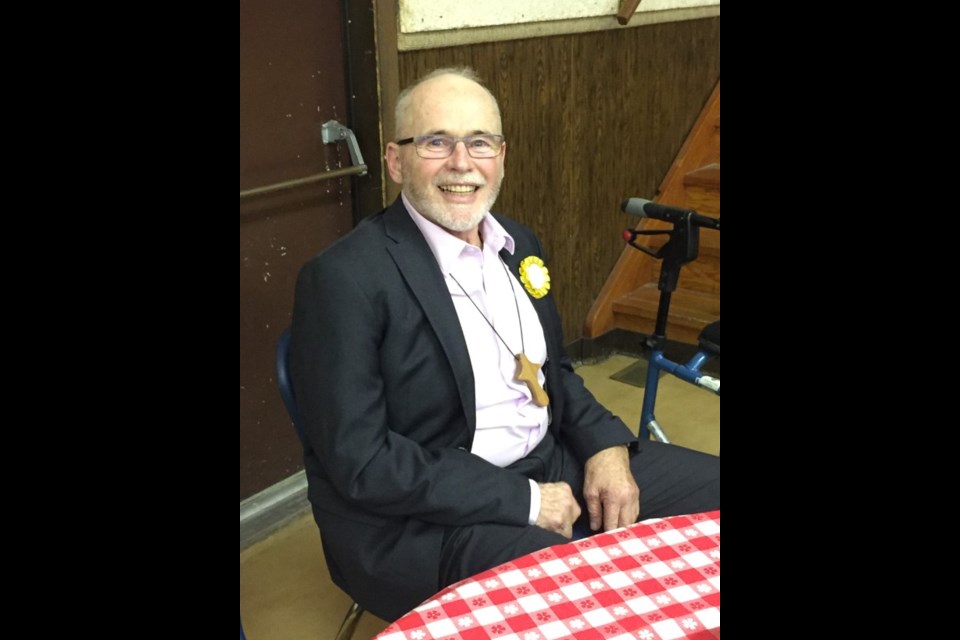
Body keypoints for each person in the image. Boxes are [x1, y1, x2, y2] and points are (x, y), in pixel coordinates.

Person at [289, 67, 719, 622]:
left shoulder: (519, 244)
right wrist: (528, 501)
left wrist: (605, 448)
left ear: (502, 156)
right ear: (396, 161)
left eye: (480, 142)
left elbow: (553, 373)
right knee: (581, 607)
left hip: (549, 458)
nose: (462, 162)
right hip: (428, 519)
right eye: (436, 141)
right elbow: (363, 462)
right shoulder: (343, 279)